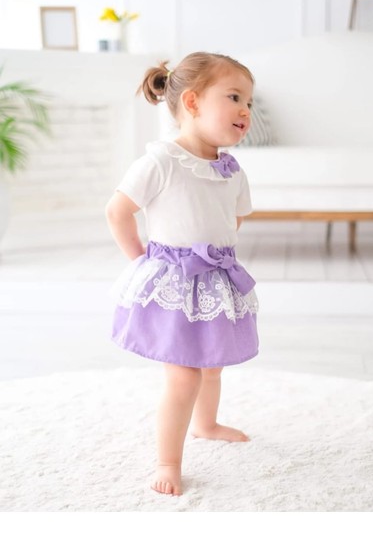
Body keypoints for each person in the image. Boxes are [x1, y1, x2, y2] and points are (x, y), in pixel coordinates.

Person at [105, 51, 259, 496]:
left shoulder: (231, 171)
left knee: (212, 366)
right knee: (184, 375)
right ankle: (167, 461)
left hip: (214, 281)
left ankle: (205, 424)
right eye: (234, 97)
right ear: (192, 102)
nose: (245, 110)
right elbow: (118, 211)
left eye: (249, 102)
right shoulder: (162, 161)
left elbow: (233, 219)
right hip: (175, 282)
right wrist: (141, 262)